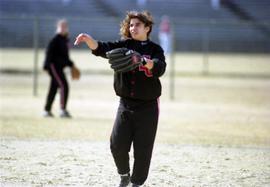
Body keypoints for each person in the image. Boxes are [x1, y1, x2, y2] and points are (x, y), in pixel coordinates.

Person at [74, 11, 166, 187]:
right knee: (117, 144)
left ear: (147, 28)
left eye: (138, 24)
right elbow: (102, 48)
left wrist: (144, 61)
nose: (133, 28)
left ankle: (136, 183)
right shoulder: (124, 45)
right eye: (131, 25)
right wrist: (88, 40)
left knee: (143, 149)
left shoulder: (155, 49)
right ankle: (124, 175)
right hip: (125, 104)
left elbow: (160, 68)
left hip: (148, 106)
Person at [43, 19, 79, 118]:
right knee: (64, 85)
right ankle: (63, 110)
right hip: (53, 66)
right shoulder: (56, 39)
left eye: (65, 26)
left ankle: (46, 110)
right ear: (57, 27)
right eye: (61, 26)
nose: (63, 28)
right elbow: (48, 53)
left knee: (54, 88)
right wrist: (46, 66)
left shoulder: (65, 39)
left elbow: (64, 57)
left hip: (59, 67)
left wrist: (71, 65)